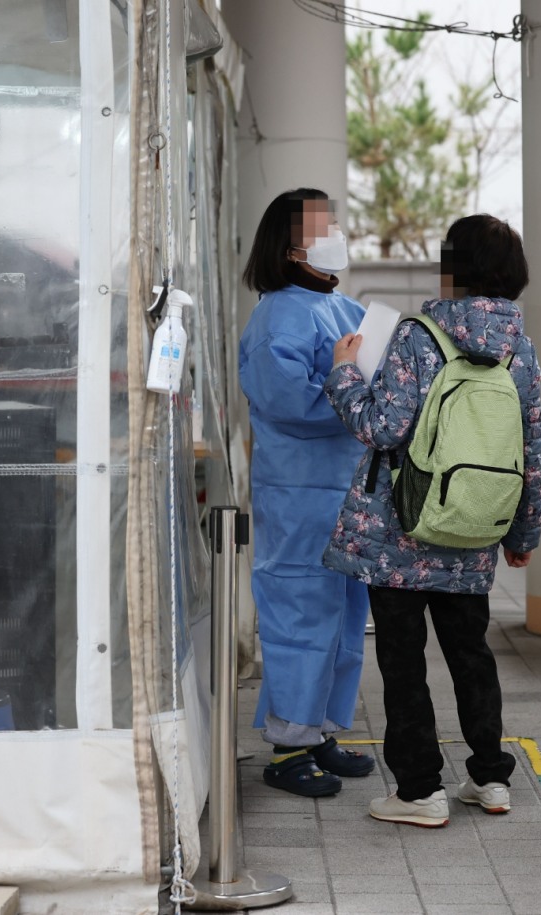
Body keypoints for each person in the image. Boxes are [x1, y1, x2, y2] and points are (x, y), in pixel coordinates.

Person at [323, 214, 541, 828]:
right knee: (472, 654)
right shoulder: (518, 347)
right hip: (473, 531)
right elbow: (530, 448)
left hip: (401, 533)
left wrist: (344, 372)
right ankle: (491, 778)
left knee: (404, 661)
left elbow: (382, 427)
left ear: (453, 270)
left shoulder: (419, 335)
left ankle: (419, 790)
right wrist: (524, 532)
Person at [238, 188, 374, 798]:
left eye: (336, 222)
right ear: (290, 247)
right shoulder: (279, 316)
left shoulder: (339, 307)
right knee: (300, 610)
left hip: (346, 487)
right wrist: (349, 379)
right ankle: (288, 747)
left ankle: (317, 729)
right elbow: (287, 399)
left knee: (345, 614)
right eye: (325, 226)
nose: (336, 232)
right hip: (297, 491)